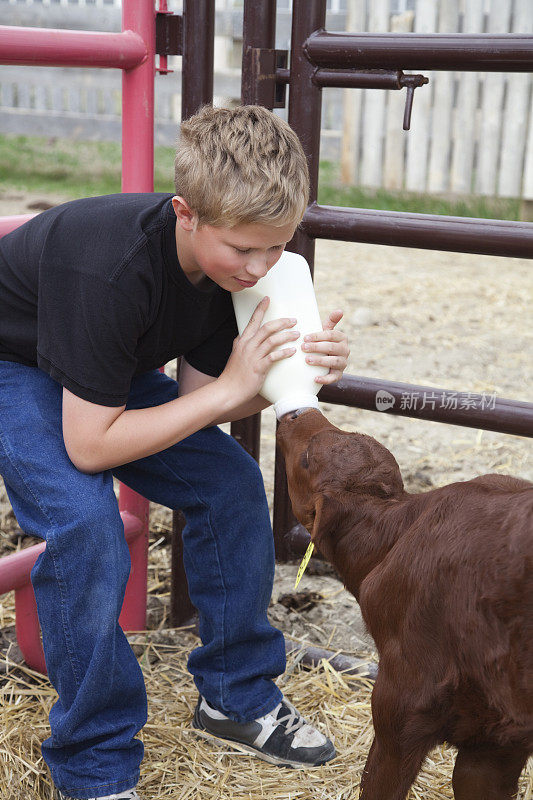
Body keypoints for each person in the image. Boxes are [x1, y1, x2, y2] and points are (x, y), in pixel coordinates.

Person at [0, 105, 350, 800]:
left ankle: (236, 697)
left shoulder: (230, 273)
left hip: (106, 369)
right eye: (242, 250)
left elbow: (203, 395)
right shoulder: (112, 266)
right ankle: (93, 762)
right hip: (13, 364)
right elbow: (91, 445)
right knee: (85, 526)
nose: (258, 269)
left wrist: (301, 371)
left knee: (227, 483)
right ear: (186, 213)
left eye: (275, 248)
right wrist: (228, 393)